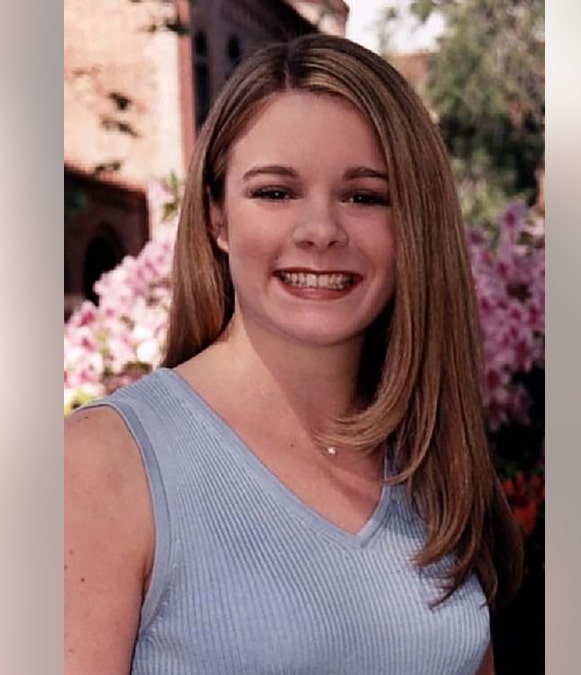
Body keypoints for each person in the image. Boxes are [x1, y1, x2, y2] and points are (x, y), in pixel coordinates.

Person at [65, 33, 523, 674]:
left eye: (365, 196)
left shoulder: (429, 458)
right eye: (275, 192)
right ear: (216, 220)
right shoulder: (101, 466)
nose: (321, 231)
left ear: (412, 225)